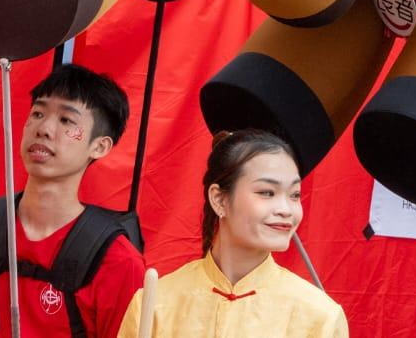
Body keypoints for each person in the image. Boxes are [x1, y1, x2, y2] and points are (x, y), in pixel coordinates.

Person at [0, 63, 144, 337]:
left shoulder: (118, 263)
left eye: (66, 121)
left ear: (99, 146)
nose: (44, 128)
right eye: (38, 113)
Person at [116, 129, 346, 338]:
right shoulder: (155, 303)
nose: (286, 210)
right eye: (267, 192)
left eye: (294, 195)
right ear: (219, 199)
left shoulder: (319, 317)